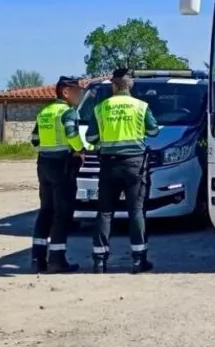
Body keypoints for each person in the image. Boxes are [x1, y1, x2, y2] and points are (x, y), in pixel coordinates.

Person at [86, 67, 160, 274]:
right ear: (131, 85)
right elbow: (153, 131)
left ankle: (99, 261)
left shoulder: (101, 108)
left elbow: (91, 138)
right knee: (135, 211)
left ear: (114, 85)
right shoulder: (141, 106)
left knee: (105, 212)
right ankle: (139, 260)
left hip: (108, 164)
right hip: (134, 164)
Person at [29, 76, 86, 273]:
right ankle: (57, 260)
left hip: (44, 164)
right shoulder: (67, 112)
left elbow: (35, 140)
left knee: (45, 210)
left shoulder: (45, 112)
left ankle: (37, 259)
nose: (79, 95)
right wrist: (80, 150)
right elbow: (71, 133)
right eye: (76, 91)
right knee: (62, 214)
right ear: (65, 92)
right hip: (63, 164)